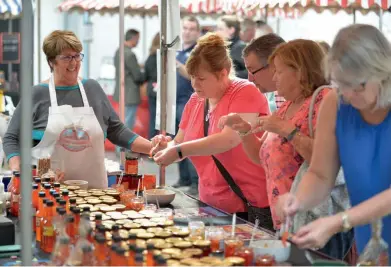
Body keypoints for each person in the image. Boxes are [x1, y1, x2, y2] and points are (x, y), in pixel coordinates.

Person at [219, 39, 351, 258]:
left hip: (318, 221)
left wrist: (287, 130)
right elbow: (262, 157)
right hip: (290, 218)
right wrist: (243, 131)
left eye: (279, 71)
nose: (274, 77)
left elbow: (327, 163)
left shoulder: (324, 100)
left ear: (299, 71)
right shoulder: (288, 104)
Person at [277, 24, 391, 257]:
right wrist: (298, 201)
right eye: (341, 83)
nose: (347, 94)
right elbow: (320, 174)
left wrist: (340, 221)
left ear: (382, 72)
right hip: (369, 237)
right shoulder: (335, 103)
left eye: (356, 85)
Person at [151, 33, 272, 228]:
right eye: (191, 77)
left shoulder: (246, 91)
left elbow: (229, 139)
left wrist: (180, 150)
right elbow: (180, 141)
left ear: (223, 73)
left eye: (201, 78)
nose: (194, 84)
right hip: (209, 201)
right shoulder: (196, 99)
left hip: (247, 202)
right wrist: (166, 145)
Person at [3, 30, 153, 189]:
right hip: (49, 192)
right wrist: (17, 171)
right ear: (51, 61)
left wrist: (153, 149)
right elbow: (11, 138)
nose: (74, 63)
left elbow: (117, 131)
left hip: (94, 193)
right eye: (67, 57)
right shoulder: (36, 94)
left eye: (77, 56)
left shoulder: (92, 89)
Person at [172, 16, 200, 193]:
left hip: (190, 103)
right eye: (185, 28)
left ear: (197, 32)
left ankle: (195, 182)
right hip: (174, 102)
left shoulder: (198, 52)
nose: (187, 32)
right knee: (177, 142)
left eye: (191, 29)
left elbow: (193, 76)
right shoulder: (178, 51)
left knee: (190, 142)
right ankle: (183, 178)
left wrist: (176, 65)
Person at [242, 33, 286, 112]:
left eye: (252, 71)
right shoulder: (272, 91)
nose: (250, 79)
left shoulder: (311, 101)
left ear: (274, 65)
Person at [113, 29, 144, 130]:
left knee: (121, 122)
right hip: (130, 95)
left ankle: (119, 146)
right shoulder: (130, 54)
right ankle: (124, 146)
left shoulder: (118, 51)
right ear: (133, 38)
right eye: (138, 39)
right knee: (127, 124)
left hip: (121, 93)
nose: (138, 42)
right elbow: (137, 76)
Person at [144, 33, 159, 139]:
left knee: (153, 118)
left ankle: (151, 143)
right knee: (157, 120)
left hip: (151, 90)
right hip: (158, 90)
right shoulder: (160, 57)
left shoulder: (150, 56)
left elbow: (146, 74)